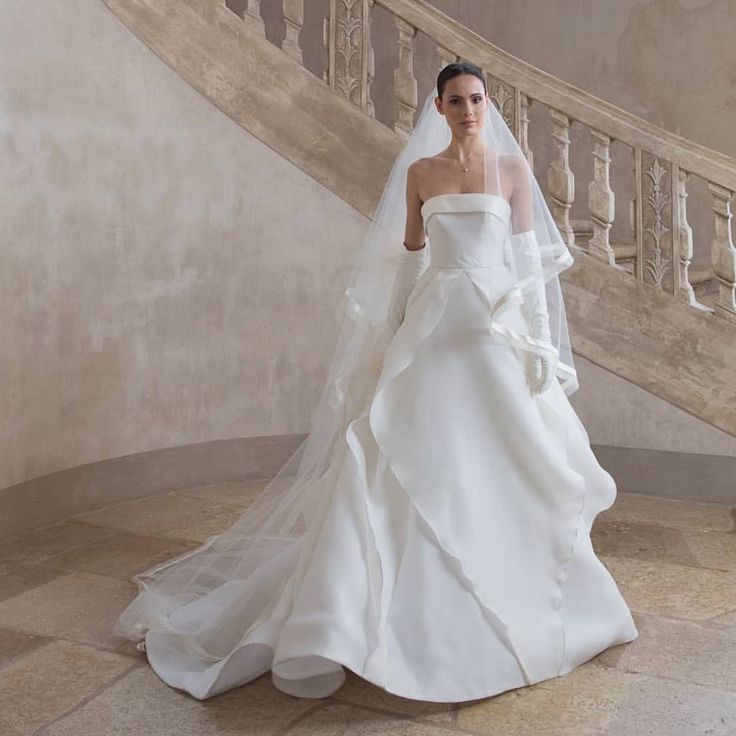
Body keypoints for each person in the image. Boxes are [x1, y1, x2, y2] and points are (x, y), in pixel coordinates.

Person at [113, 61, 638, 703]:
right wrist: (390, 333)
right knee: (405, 454)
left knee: (507, 459)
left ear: (487, 104)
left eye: (476, 99)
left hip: (495, 332)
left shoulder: (513, 170)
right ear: (439, 108)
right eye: (456, 100)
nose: (469, 109)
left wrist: (537, 344)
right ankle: (366, 613)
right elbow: (411, 257)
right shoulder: (421, 173)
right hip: (437, 329)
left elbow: (530, 263)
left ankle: (521, 595)